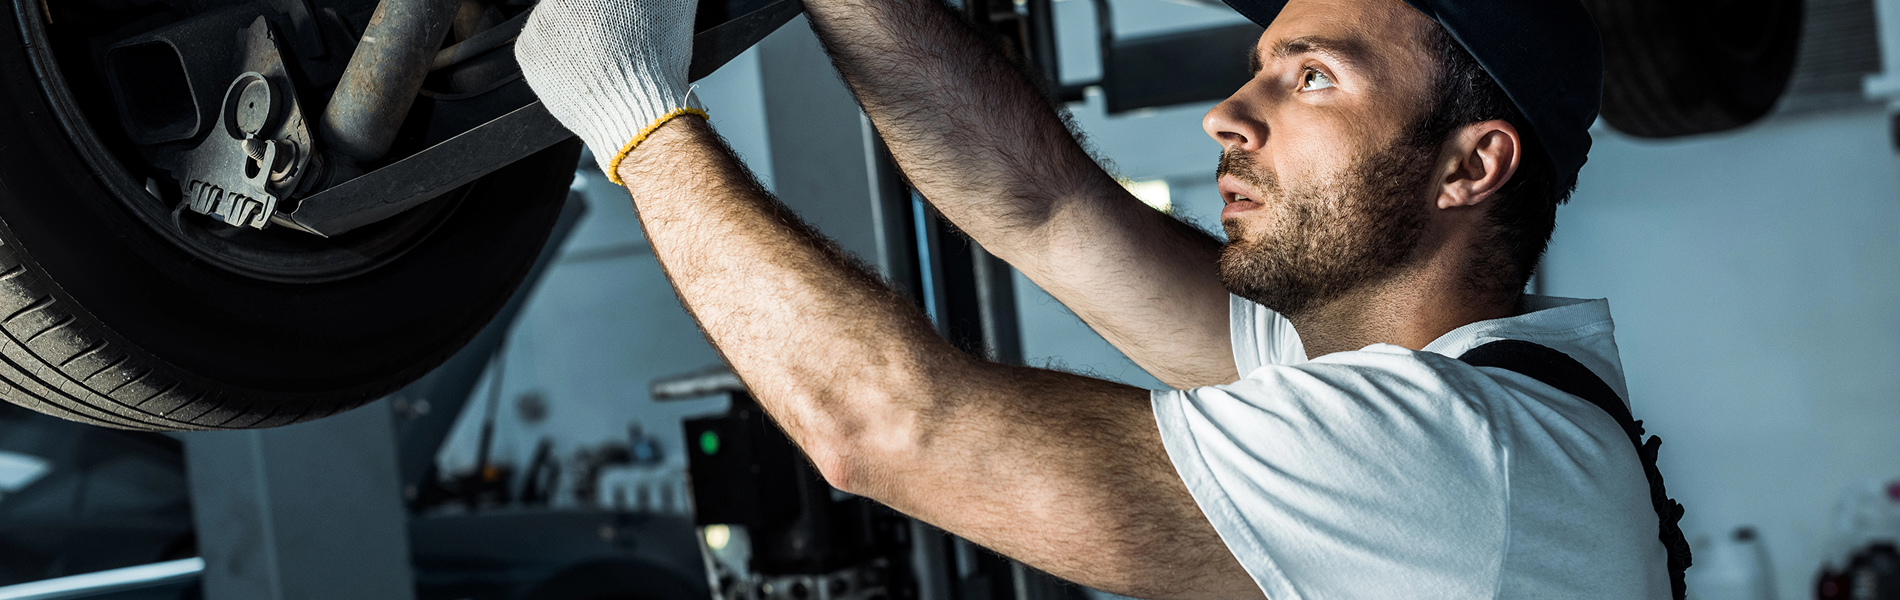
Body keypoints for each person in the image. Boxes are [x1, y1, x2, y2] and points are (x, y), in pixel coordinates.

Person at [514, 0, 1687, 596]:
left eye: (1313, 77)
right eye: (1262, 62)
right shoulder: (1433, 390)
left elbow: (884, 426)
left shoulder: (1456, 456)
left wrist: (632, 112)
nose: (1231, 113)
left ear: (1468, 168)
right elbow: (1042, 207)